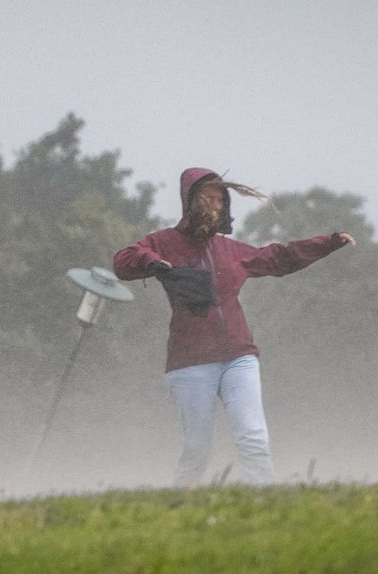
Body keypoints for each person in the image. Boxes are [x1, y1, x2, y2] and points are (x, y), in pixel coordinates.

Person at [113, 167, 355, 487]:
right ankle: (179, 503)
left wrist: (328, 242)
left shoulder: (230, 250)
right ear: (189, 200)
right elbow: (123, 261)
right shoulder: (163, 242)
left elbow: (279, 257)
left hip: (238, 357)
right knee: (198, 450)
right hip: (189, 363)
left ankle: (267, 503)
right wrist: (152, 263)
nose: (214, 204)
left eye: (219, 198)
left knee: (253, 437)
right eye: (207, 197)